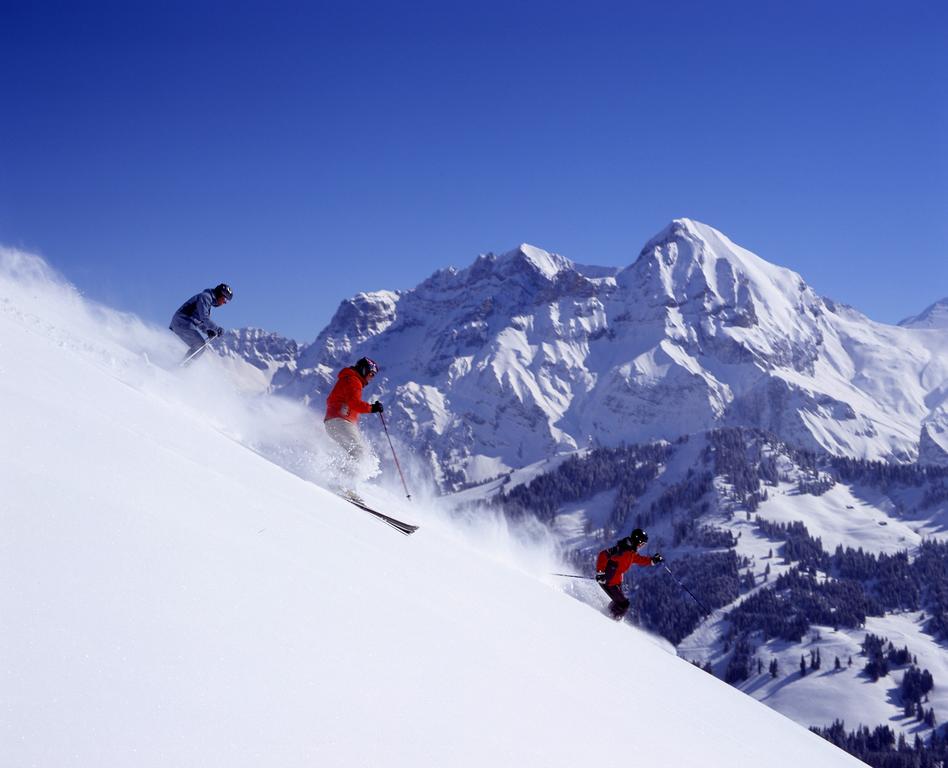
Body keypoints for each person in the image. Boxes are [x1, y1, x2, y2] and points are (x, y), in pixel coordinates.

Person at [324, 356, 383, 499]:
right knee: (360, 452)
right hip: (340, 421)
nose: (371, 378)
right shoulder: (354, 380)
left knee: (355, 454)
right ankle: (342, 485)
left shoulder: (349, 379)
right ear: (364, 370)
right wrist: (372, 408)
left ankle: (340, 482)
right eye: (371, 374)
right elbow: (354, 403)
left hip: (334, 422)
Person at [595, 528, 663, 619]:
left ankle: (608, 614)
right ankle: (610, 620)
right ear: (638, 541)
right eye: (642, 544)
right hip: (608, 582)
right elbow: (603, 555)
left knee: (620, 602)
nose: (642, 546)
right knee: (624, 604)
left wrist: (653, 560)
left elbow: (639, 559)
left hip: (615, 582)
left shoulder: (631, 552)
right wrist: (600, 573)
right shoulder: (621, 550)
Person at [169, 283, 233, 364]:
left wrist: (207, 331)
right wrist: (217, 329)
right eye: (225, 299)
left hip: (183, 322)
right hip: (182, 321)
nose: (224, 303)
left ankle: (183, 365)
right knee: (199, 345)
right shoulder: (205, 297)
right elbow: (204, 318)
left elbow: (199, 320)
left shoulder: (207, 300)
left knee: (199, 346)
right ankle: (183, 366)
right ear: (220, 294)